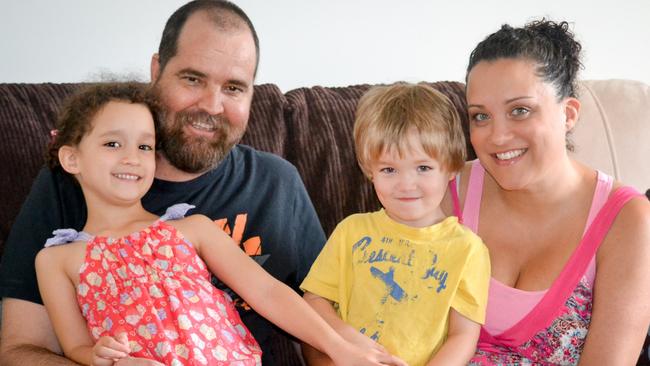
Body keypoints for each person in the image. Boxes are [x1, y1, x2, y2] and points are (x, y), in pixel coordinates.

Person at [0, 1, 326, 365]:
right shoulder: (73, 182)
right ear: (157, 70)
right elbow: (20, 350)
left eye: (234, 87)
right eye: (193, 79)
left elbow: (321, 320)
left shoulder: (277, 183)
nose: (212, 105)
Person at [35, 82, 407, 366]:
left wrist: (339, 347)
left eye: (145, 147)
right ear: (71, 158)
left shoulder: (190, 228)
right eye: (113, 144)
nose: (132, 158)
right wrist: (98, 356)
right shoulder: (57, 260)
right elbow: (74, 346)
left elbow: (268, 292)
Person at [448, 19, 650, 364]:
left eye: (520, 111)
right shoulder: (445, 191)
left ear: (568, 114)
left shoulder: (626, 219)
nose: (496, 137)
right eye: (480, 117)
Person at [300, 83, 491, 366]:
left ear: (451, 167)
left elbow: (463, 336)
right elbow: (314, 300)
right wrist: (348, 341)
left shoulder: (468, 249)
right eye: (389, 169)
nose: (406, 184)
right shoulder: (351, 231)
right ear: (370, 170)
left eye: (423, 168)